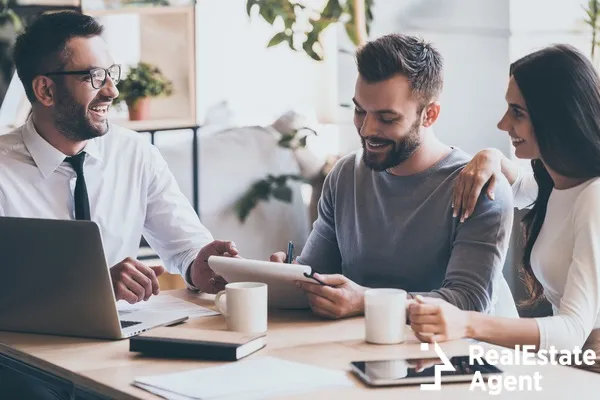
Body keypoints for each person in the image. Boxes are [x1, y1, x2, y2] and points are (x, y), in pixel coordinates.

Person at [0, 11, 235, 398]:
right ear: (45, 91)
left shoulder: (134, 154)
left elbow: (186, 247)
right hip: (24, 364)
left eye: (111, 73)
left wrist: (201, 265)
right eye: (94, 77)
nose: (111, 90)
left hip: (120, 353)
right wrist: (90, 289)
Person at [271, 33, 517, 320]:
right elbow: (318, 276)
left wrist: (368, 301)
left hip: (458, 358)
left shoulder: (480, 187)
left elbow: (469, 301)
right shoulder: (345, 175)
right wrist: (286, 278)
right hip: (365, 349)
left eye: (387, 119)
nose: (366, 130)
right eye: (360, 111)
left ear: (430, 115)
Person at [408, 44, 600, 372]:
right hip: (566, 363)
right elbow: (519, 186)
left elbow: (570, 333)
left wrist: (467, 324)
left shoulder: (593, 197)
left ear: (557, 118)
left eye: (517, 113)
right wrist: (490, 156)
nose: (502, 124)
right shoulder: (558, 180)